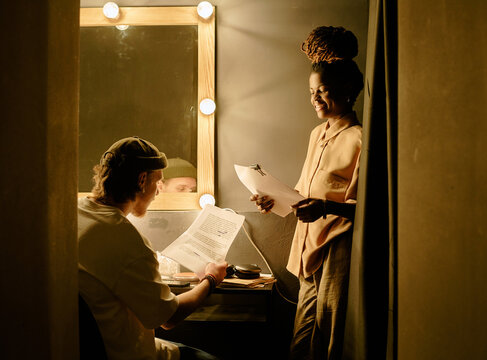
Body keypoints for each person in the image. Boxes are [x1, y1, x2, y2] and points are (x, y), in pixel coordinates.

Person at [250, 26, 364, 360]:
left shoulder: (358, 138)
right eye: (312, 91)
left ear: (345, 92)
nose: (314, 98)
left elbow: (365, 207)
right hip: (306, 249)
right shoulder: (317, 134)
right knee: (301, 343)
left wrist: (326, 207)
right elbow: (303, 192)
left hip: (335, 247)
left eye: (322, 90)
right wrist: (274, 198)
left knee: (328, 340)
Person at [78, 136, 228, 360]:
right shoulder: (124, 238)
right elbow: (169, 318)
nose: (158, 192)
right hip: (126, 352)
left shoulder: (75, 212)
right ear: (141, 180)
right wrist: (211, 279)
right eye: (157, 182)